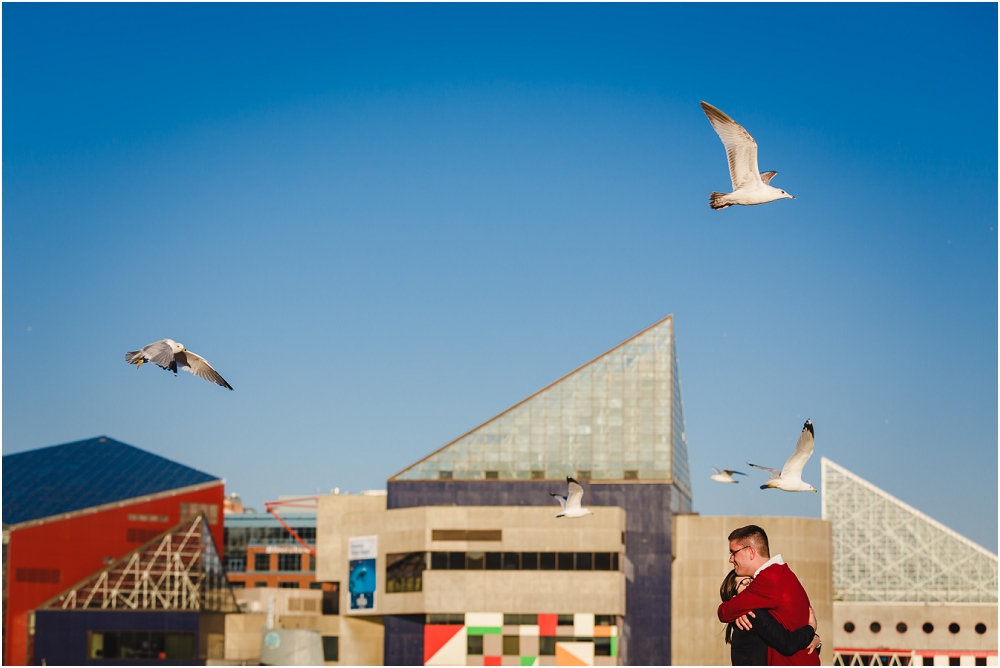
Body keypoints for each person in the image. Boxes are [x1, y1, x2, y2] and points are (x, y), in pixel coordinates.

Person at [718, 525, 821, 666]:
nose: (731, 559)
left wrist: (736, 605)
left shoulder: (769, 579)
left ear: (751, 552)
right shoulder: (782, 574)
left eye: (733, 552)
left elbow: (724, 613)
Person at [720, 569, 821, 665]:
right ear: (734, 599)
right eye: (746, 583)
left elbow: (786, 639)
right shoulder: (753, 616)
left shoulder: (758, 613)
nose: (752, 587)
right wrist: (811, 628)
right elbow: (788, 644)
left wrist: (816, 640)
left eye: (753, 581)